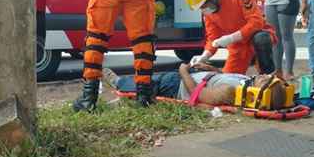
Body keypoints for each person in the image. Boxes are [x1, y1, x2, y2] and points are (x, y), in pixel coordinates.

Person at [184, 0, 275, 75]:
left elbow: (256, 22)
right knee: (228, 80)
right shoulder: (209, 12)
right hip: (238, 46)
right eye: (200, 8)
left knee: (261, 39)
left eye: (203, 5)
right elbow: (213, 38)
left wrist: (231, 38)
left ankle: (269, 76)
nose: (203, 9)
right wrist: (204, 56)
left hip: (257, 35)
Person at [104, 64, 284, 108]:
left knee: (146, 83)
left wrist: (183, 71)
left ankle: (119, 83)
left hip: (176, 86)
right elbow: (223, 77)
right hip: (188, 78)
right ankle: (124, 92)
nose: (265, 75)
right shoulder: (246, 84)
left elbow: (196, 94)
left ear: (260, 92)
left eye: (265, 80)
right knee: (150, 79)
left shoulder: (232, 92)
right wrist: (211, 69)